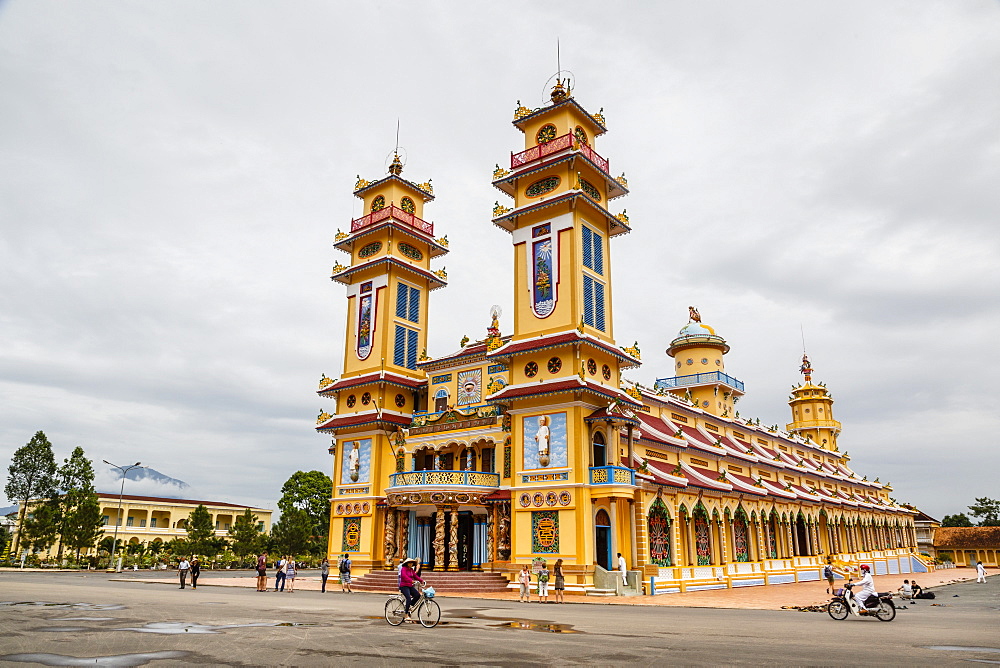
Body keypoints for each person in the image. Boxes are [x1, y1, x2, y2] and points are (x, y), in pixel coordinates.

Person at [398, 556, 425, 622]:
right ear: (407, 563)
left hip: (410, 586)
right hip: (404, 586)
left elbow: (415, 576)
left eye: (411, 563)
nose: (411, 564)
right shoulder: (403, 569)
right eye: (409, 563)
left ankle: (409, 606)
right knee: (408, 598)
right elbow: (404, 576)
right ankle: (406, 614)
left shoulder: (411, 570)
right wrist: (411, 580)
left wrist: (421, 581)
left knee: (417, 595)